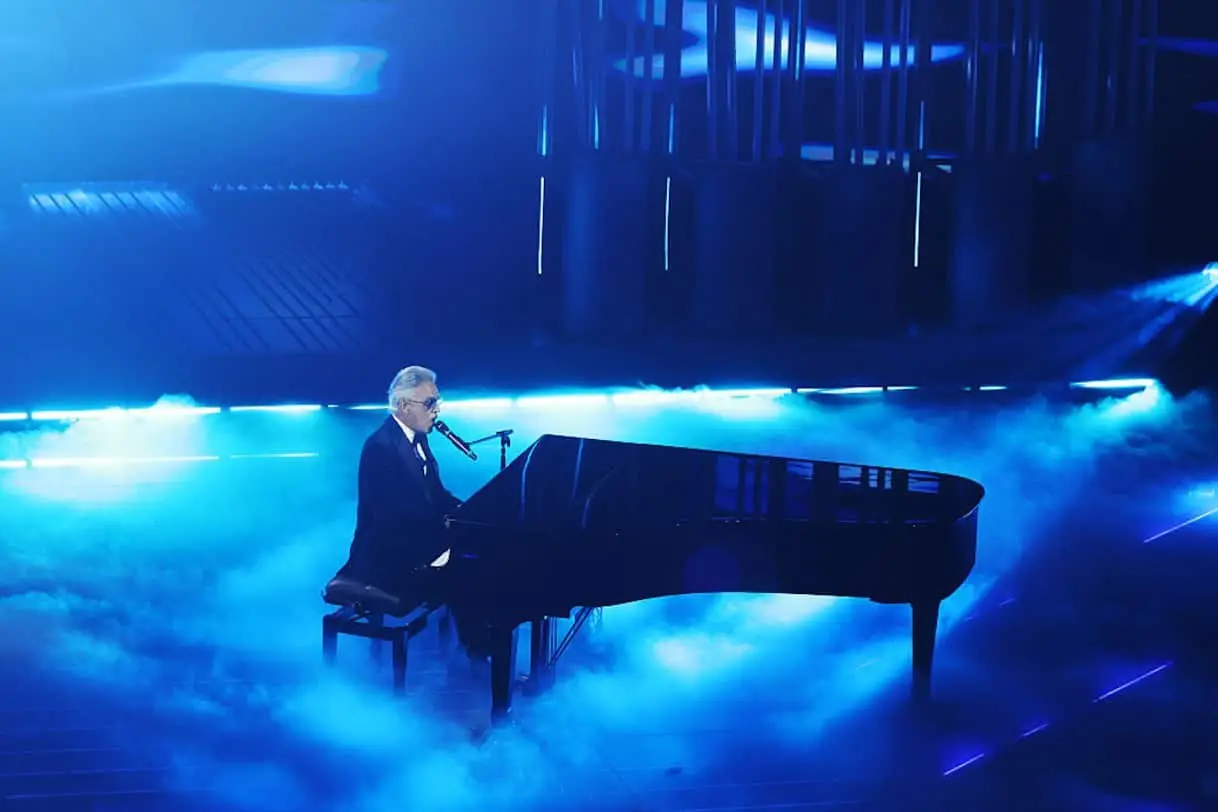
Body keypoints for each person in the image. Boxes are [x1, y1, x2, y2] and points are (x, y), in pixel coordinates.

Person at [331, 365, 461, 595]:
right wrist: (443, 534)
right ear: (404, 406)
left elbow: (435, 495)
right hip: (387, 557)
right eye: (430, 403)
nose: (437, 410)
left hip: (416, 543)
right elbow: (391, 516)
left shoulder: (419, 439)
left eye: (437, 402)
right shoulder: (380, 446)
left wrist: (468, 512)